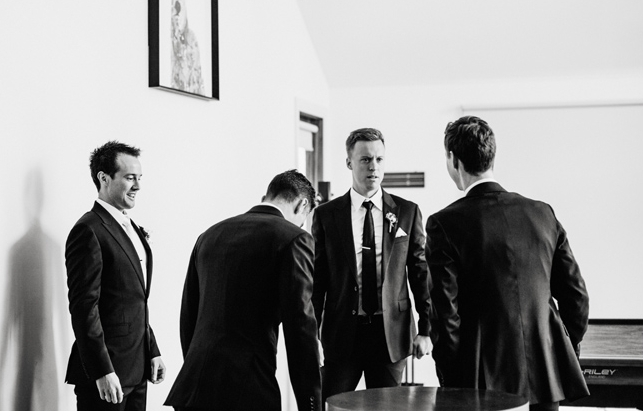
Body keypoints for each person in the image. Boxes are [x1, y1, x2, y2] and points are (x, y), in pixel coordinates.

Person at [426, 116, 590, 411]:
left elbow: (445, 315)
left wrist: (452, 378)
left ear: (453, 159)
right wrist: (558, 350)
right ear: (492, 156)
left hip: (480, 379)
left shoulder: (444, 223)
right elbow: (576, 297)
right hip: (544, 375)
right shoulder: (542, 214)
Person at [164, 170, 322, 411]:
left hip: (193, 387)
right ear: (303, 205)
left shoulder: (209, 235)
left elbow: (189, 315)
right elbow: (300, 327)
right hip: (248, 388)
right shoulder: (294, 238)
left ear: (266, 196)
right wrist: (311, 404)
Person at [311, 128, 433, 404]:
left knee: (388, 408)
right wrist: (311, 335)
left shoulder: (407, 211)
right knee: (330, 405)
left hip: (390, 334)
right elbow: (317, 281)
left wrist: (426, 330)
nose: (373, 167)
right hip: (342, 333)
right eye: (365, 159)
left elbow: (420, 273)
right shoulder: (326, 216)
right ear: (349, 163)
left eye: (379, 159)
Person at [65, 141, 166, 411]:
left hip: (138, 368)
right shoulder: (88, 230)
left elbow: (134, 299)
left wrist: (152, 350)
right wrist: (102, 371)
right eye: (130, 177)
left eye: (140, 178)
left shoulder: (130, 226)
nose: (138, 186)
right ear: (104, 178)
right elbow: (84, 307)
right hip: (106, 375)